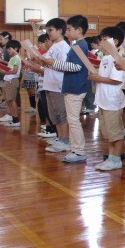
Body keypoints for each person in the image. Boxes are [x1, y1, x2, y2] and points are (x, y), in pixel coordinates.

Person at [43, 15, 90, 163]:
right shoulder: (77, 45)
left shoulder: (80, 45)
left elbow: (76, 67)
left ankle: (79, 151)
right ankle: (76, 149)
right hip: (72, 86)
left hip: (75, 87)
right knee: (72, 120)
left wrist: (53, 62)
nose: (67, 32)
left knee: (73, 121)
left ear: (79, 30)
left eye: (69, 29)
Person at [89, 27, 125, 171]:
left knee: (115, 133)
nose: (101, 43)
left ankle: (116, 159)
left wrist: (97, 78)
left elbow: (116, 80)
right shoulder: (105, 57)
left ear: (115, 41)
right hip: (103, 100)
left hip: (112, 101)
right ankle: (111, 158)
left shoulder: (117, 58)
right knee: (108, 133)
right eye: (102, 40)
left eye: (105, 40)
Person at [36, 18, 71, 152]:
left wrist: (49, 62)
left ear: (60, 31)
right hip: (49, 83)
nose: (48, 33)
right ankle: (60, 137)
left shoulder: (63, 47)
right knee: (54, 115)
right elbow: (49, 64)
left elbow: (65, 67)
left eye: (50, 30)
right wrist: (42, 61)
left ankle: (65, 140)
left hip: (58, 84)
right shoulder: (54, 46)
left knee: (61, 113)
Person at [0, 40, 22, 128]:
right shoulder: (12, 58)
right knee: (8, 100)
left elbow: (14, 71)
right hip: (7, 80)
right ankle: (12, 118)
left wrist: (3, 71)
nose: (8, 51)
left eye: (9, 49)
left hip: (12, 81)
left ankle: (16, 120)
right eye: (7, 49)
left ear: (16, 48)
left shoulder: (16, 58)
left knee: (12, 100)